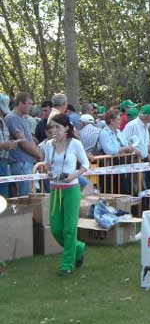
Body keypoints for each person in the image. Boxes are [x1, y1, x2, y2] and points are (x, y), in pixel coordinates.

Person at [42, 113, 89, 276]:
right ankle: (79, 247)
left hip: (71, 189)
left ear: (66, 128)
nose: (54, 130)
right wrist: (49, 172)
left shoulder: (75, 144)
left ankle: (67, 264)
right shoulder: (48, 145)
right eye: (52, 127)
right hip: (55, 189)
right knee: (56, 229)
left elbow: (85, 165)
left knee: (69, 229)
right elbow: (48, 164)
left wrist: (73, 175)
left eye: (57, 127)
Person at [6, 92, 43, 196]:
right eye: (29, 103)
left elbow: (30, 140)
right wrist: (39, 154)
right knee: (24, 197)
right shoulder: (12, 118)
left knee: (30, 196)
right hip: (21, 163)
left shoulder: (24, 118)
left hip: (27, 162)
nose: (31, 107)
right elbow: (23, 142)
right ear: (20, 103)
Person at [123, 104, 150, 190]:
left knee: (144, 184)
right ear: (147, 115)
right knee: (136, 185)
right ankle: (138, 202)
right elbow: (124, 142)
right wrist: (135, 151)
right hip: (133, 159)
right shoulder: (132, 125)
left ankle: (144, 202)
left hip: (143, 159)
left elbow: (146, 145)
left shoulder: (146, 126)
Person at [0, 94, 19, 197]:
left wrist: (11, 144)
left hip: (4, 161)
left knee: (4, 192)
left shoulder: (3, 120)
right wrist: (3, 145)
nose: (2, 112)